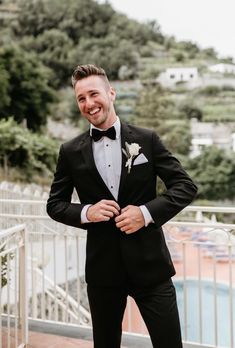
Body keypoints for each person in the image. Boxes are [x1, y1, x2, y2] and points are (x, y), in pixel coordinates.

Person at [47, 64, 197, 348]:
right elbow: (54, 205)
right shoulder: (69, 151)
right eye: (81, 98)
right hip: (103, 272)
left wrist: (145, 213)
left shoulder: (147, 140)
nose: (89, 104)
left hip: (152, 269)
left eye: (94, 94)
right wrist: (86, 212)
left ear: (111, 93)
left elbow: (185, 186)